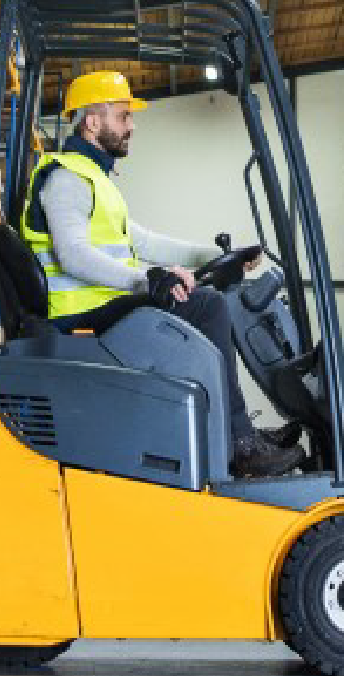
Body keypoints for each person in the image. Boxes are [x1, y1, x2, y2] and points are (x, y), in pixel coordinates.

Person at [20, 70, 304, 479]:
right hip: (81, 314)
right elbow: (72, 256)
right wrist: (148, 281)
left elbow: (143, 241)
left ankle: (234, 432)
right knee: (206, 306)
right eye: (123, 116)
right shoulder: (66, 178)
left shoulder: (97, 180)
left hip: (104, 304)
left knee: (208, 299)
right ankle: (240, 443)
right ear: (92, 121)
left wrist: (215, 255)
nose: (131, 126)